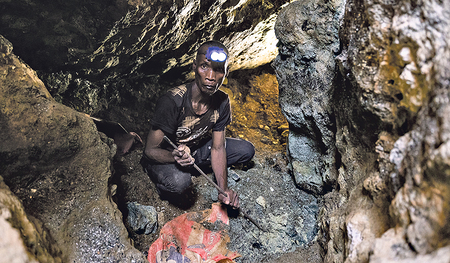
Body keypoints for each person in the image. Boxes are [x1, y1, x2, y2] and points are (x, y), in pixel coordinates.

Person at [141, 40, 255, 209]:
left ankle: (190, 167)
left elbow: (218, 148)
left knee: (247, 150)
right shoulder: (173, 101)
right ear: (194, 67)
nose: (210, 76)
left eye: (218, 70)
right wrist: (175, 156)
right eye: (204, 67)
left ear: (225, 72)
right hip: (166, 156)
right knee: (180, 183)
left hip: (194, 151)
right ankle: (166, 178)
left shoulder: (222, 101)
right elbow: (149, 151)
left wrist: (223, 190)